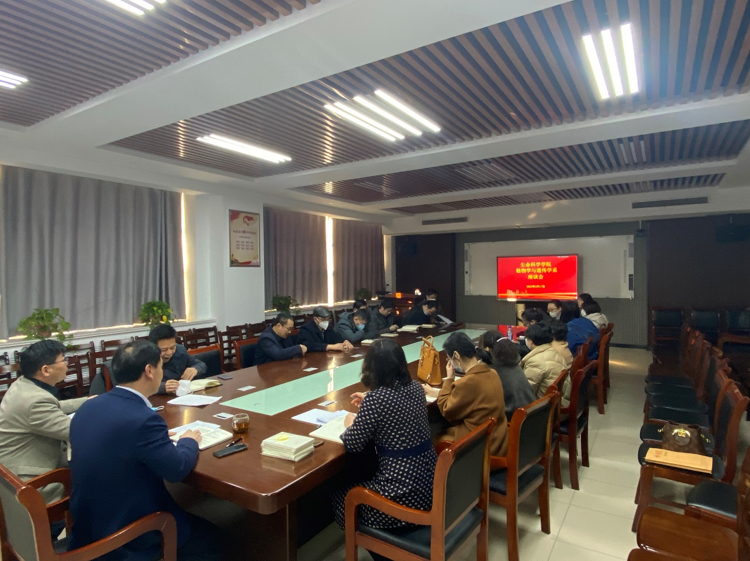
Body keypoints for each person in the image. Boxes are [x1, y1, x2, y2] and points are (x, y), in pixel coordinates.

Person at [68, 340, 222, 561]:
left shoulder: (89, 406)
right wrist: (189, 441)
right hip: (128, 536)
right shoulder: (143, 419)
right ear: (149, 370)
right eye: (161, 366)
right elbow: (177, 470)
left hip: (88, 526)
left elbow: (117, 442)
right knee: (215, 539)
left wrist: (156, 439)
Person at [331, 340, 437, 540]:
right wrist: (369, 404)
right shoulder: (416, 388)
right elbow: (397, 410)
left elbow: (353, 443)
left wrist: (350, 423)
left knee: (341, 494)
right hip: (430, 487)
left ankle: (375, 545)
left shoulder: (376, 400)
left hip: (401, 496)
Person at [0, 340, 88, 507]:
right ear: (45, 370)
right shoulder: (35, 401)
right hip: (32, 483)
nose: (67, 364)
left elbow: (55, 406)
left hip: (14, 469)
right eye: (63, 360)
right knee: (96, 475)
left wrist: (89, 401)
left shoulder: (24, 385)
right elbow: (76, 432)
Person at [423, 332, 508, 457]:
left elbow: (447, 410)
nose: (450, 362)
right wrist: (438, 392)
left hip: (479, 446)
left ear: (456, 355)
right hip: (498, 440)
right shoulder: (492, 373)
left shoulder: (467, 382)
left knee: (434, 437)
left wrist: (449, 379)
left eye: (449, 359)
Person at [479, 331, 535, 420]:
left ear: (487, 349)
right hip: (530, 413)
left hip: (512, 417)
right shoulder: (514, 362)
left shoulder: (491, 368)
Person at [148, 324, 207, 395]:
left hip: (182, 395)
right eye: (164, 350)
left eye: (172, 348)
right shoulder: (145, 358)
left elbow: (201, 364)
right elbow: (140, 385)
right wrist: (162, 387)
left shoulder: (180, 351)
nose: (169, 352)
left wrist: (195, 369)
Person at [520, 323, 567, 398]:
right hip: (554, 399)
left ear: (530, 341)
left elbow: (526, 392)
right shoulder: (555, 353)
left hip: (541, 402)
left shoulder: (535, 362)